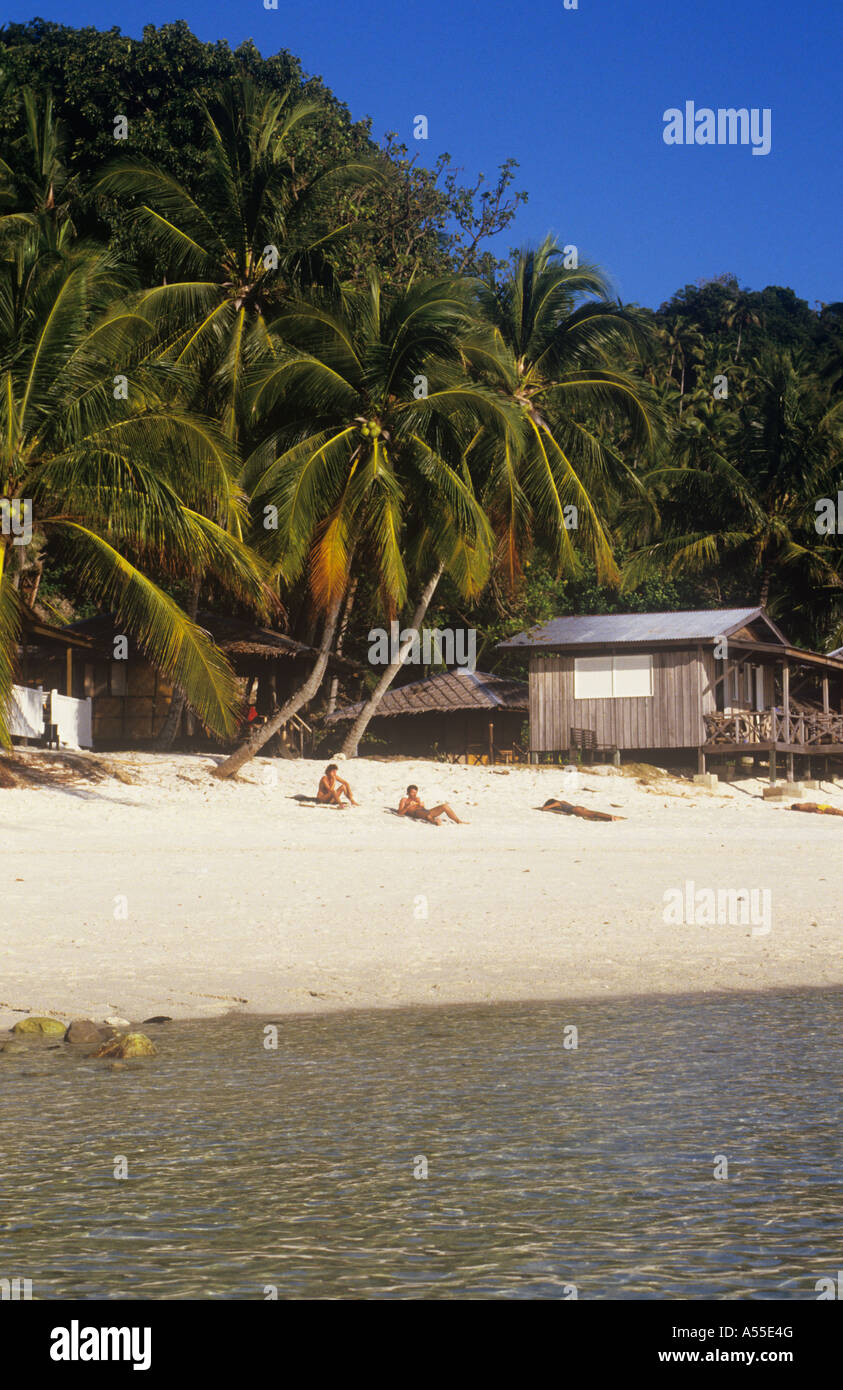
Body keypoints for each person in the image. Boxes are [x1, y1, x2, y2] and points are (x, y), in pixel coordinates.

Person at [397, 784, 466, 825]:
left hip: (426, 812)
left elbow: (422, 809)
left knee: (445, 806)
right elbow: (400, 813)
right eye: (412, 792)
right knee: (428, 816)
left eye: (415, 792)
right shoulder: (404, 800)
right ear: (408, 793)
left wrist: (422, 806)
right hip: (418, 814)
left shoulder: (417, 799)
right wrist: (408, 806)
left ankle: (458, 821)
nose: (414, 794)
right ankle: (433, 820)